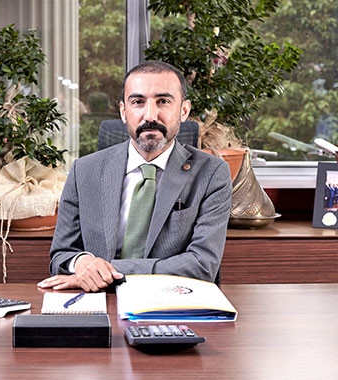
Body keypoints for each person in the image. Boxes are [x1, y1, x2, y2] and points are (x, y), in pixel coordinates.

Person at [37, 60, 232, 292]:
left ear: (184, 110)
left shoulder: (211, 173)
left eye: (163, 101)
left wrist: (109, 270)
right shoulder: (84, 171)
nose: (150, 115)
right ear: (123, 111)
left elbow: (202, 265)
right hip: (96, 298)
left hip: (170, 299)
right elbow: (61, 255)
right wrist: (81, 263)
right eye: (138, 102)